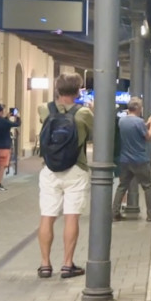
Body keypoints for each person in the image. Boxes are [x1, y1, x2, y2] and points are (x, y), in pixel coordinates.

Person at [35, 73, 94, 279]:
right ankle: (68, 265)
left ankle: (45, 265)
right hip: (76, 168)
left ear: (57, 89)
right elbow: (93, 133)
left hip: (50, 169)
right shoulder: (84, 113)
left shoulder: (44, 109)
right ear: (78, 91)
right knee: (71, 216)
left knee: (47, 216)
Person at [112, 99, 151, 222]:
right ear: (138, 108)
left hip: (125, 160)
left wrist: (147, 123)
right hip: (140, 160)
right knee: (147, 187)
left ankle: (115, 213)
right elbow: (148, 137)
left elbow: (136, 130)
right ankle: (150, 215)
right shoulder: (139, 122)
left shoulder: (122, 121)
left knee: (122, 186)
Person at [0, 104, 20, 191]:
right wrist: (17, 117)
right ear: (2, 111)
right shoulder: (5, 122)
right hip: (4, 147)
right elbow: (17, 124)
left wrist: (6, 118)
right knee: (2, 166)